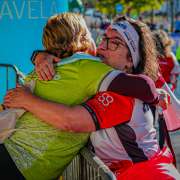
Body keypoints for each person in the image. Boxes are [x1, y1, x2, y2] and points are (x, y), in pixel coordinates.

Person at [5, 15, 180, 179]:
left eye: (115, 44)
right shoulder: (97, 75)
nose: (102, 46)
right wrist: (41, 56)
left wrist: (27, 99)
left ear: (130, 61)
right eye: (103, 39)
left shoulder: (121, 95)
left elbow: (70, 120)